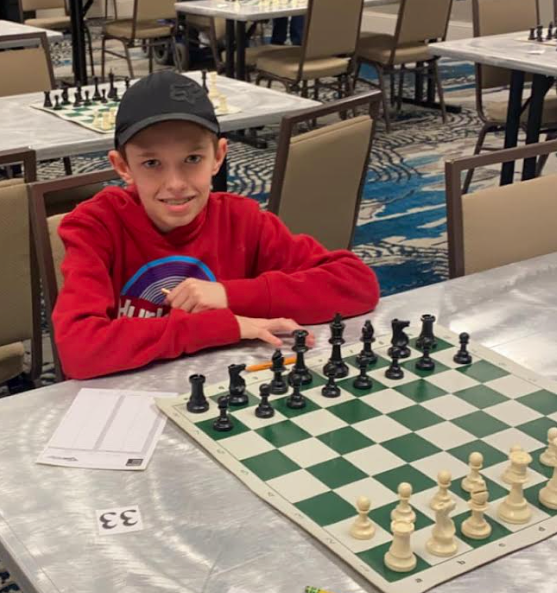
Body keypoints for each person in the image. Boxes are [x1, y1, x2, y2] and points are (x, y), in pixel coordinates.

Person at [53, 71, 379, 380]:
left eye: (192, 159)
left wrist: (228, 294)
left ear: (218, 156)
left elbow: (357, 283)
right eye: (152, 163)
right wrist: (222, 327)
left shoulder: (242, 220)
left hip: (224, 388)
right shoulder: (95, 226)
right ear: (122, 166)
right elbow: (79, 349)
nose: (176, 183)